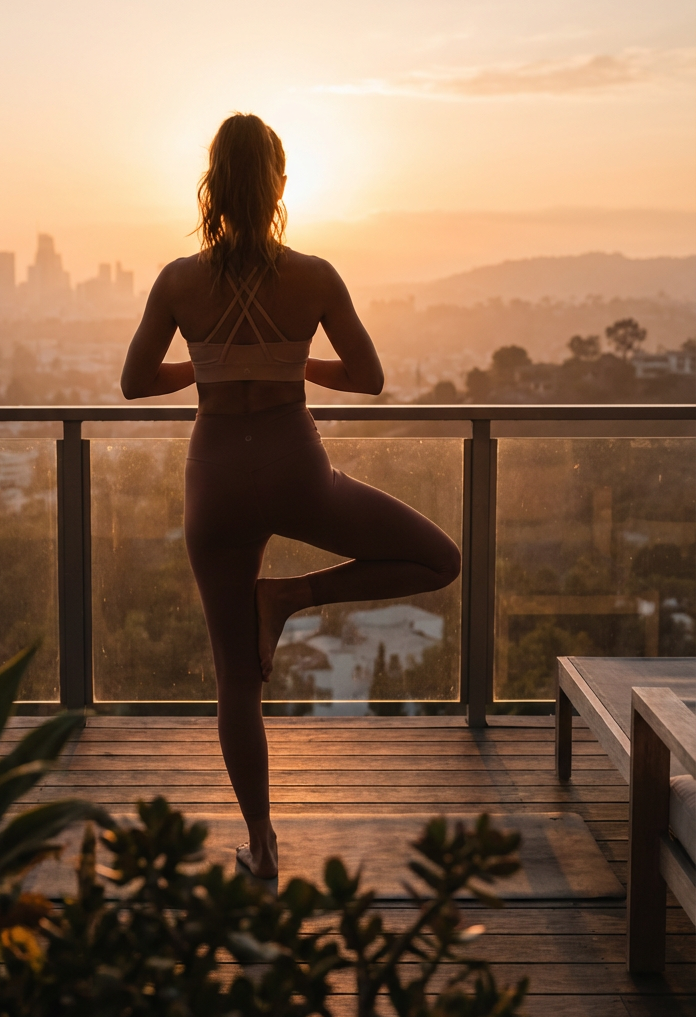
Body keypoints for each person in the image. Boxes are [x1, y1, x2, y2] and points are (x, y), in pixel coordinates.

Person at [121, 113, 461, 879]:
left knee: (236, 683)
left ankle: (264, 846)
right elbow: (369, 377)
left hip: (215, 485)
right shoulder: (314, 275)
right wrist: (290, 364)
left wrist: (212, 367)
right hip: (295, 472)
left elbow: (135, 384)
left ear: (211, 182)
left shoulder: (179, 280)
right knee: (439, 559)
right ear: (279, 181)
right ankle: (293, 597)